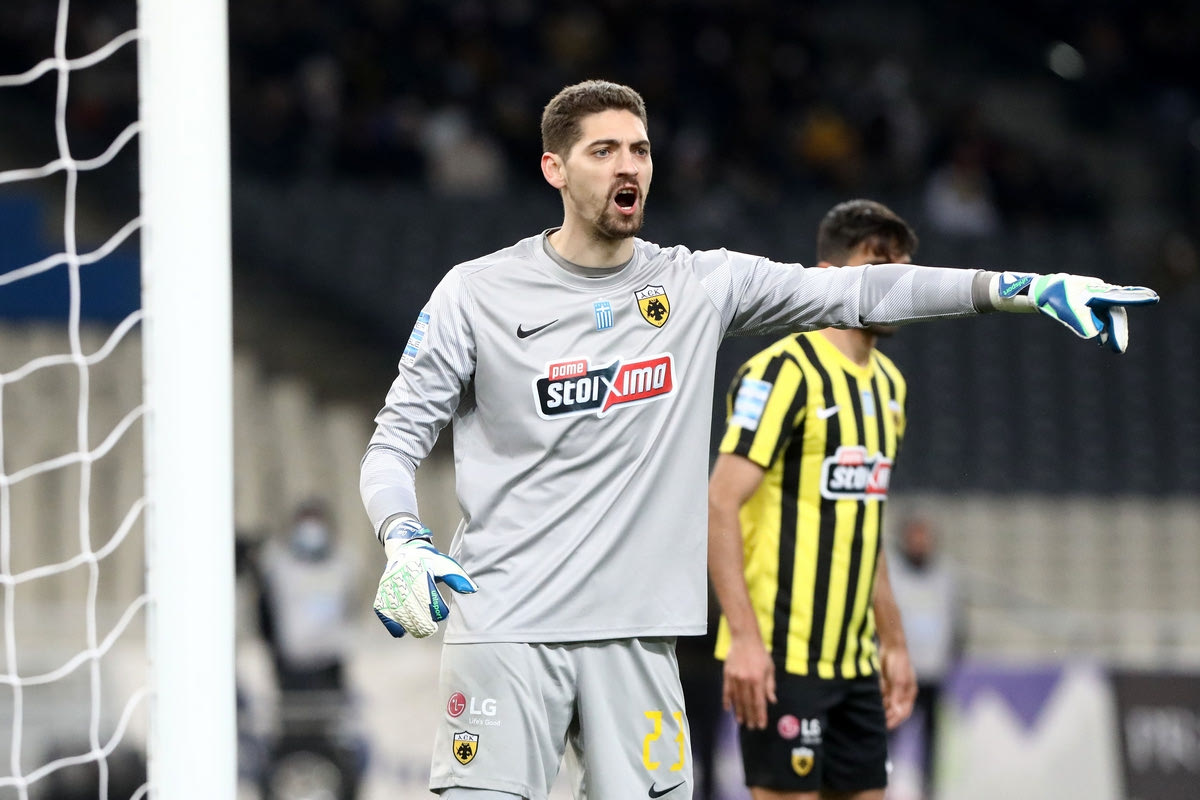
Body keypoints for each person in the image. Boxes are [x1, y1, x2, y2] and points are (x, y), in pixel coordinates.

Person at [359, 80, 1156, 800]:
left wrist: (1020, 289)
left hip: (637, 640)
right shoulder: (477, 293)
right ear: (554, 169)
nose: (628, 165)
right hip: (507, 627)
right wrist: (403, 540)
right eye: (603, 151)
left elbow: (861, 289)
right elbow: (393, 442)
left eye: (639, 149)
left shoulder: (697, 284)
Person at [708, 199, 928, 800]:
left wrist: (894, 643)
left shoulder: (891, 386)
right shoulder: (782, 373)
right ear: (829, 277)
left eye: (902, 266)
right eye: (877, 265)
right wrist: (744, 639)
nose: (895, 281)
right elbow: (720, 503)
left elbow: (864, 524)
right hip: (783, 657)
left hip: (856, 664)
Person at [886, 515, 966, 798]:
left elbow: (956, 622)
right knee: (889, 735)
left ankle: (929, 790)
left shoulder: (946, 576)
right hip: (897, 675)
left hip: (932, 673)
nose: (920, 543)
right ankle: (883, 786)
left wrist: (950, 658)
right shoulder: (892, 574)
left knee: (931, 740)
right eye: (915, 537)